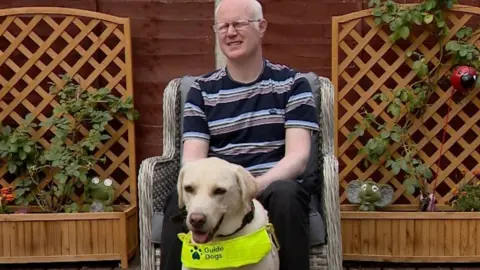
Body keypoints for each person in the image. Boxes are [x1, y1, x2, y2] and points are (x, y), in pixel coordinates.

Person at [159, 0, 321, 269]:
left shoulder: (294, 85)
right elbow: (192, 161)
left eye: (238, 24)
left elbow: (298, 157)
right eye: (222, 26)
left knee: (287, 195)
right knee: (177, 205)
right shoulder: (201, 91)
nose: (230, 32)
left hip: (271, 185)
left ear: (261, 27)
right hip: (218, 190)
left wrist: (252, 187)